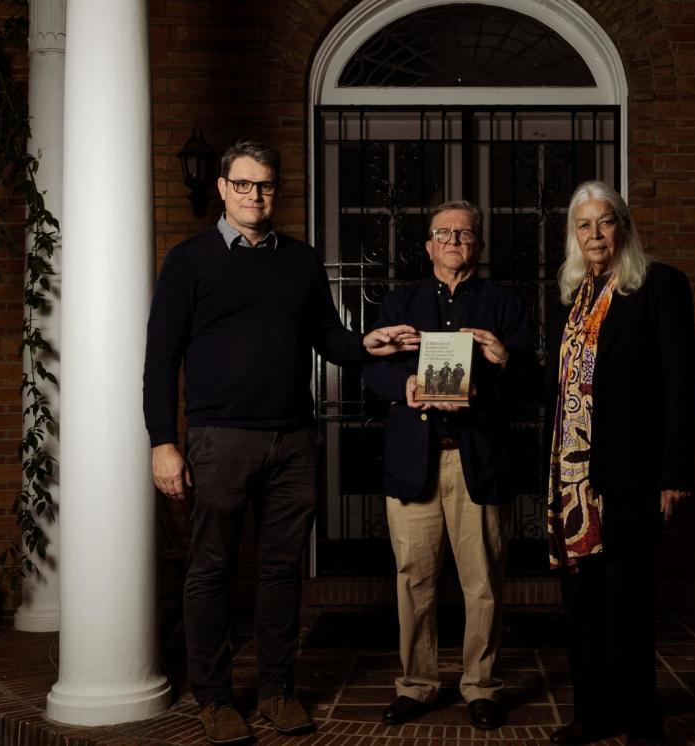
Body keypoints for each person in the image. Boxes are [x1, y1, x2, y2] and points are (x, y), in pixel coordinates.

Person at [143, 142, 416, 744]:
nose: (254, 196)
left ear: (276, 191)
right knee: (209, 570)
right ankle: (214, 699)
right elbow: (160, 359)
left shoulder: (300, 261)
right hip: (219, 440)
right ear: (222, 188)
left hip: (293, 439)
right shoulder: (188, 261)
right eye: (243, 185)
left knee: (281, 570)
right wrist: (164, 442)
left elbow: (329, 337)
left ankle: (276, 691)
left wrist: (374, 343)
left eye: (265, 186)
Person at [361, 200, 534, 731]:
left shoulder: (505, 305)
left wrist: (485, 384)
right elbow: (371, 369)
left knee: (482, 582)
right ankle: (416, 684)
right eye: (444, 232)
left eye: (465, 233)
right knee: (414, 579)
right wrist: (406, 385)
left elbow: (529, 381)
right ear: (430, 245)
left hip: (474, 461)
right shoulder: (401, 301)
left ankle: (479, 686)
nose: (455, 240)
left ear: (477, 245)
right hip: (414, 462)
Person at [546, 181, 695, 746]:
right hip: (572, 484)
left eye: (604, 222)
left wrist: (674, 472)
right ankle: (592, 714)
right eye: (582, 225)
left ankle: (640, 721)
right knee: (581, 605)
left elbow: (681, 385)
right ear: (573, 236)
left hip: (629, 477)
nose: (594, 234)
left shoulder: (658, 285)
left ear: (623, 227)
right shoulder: (574, 296)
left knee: (626, 604)